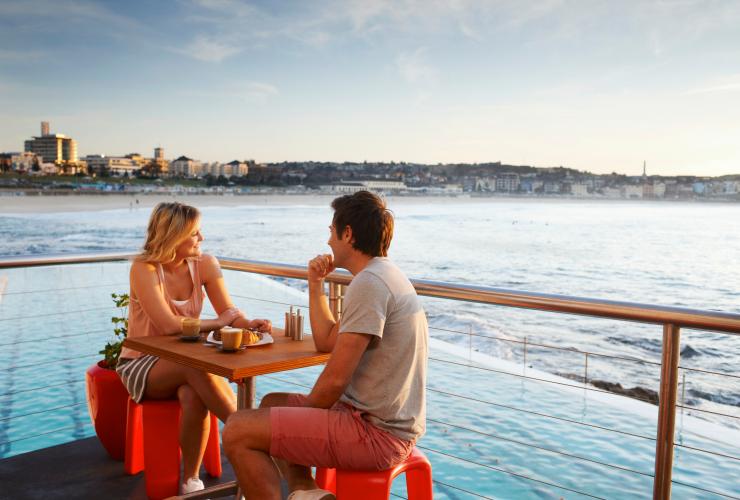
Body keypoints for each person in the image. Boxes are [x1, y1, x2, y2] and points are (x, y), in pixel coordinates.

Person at [222, 191, 428, 500]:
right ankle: (305, 491)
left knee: (237, 429)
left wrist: (302, 418)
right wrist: (315, 283)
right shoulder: (384, 275)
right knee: (271, 403)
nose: (328, 240)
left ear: (348, 233)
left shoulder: (370, 284)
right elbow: (327, 339)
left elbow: (334, 381)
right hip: (373, 420)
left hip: (377, 434)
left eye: (331, 231)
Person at [116, 202, 272, 495]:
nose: (202, 239)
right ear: (174, 236)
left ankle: (191, 480)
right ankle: (257, 436)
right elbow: (167, 325)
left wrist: (248, 322)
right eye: (195, 233)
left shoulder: (205, 264)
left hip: (187, 363)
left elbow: (229, 311)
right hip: (141, 364)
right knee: (197, 367)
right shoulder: (145, 268)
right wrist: (217, 323)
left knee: (192, 392)